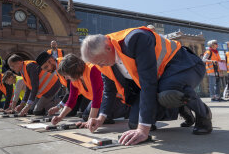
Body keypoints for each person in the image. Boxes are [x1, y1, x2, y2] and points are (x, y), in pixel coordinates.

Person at [81, 26, 212, 146]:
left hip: (184, 66)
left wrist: (143, 129)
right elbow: (109, 91)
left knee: (169, 93)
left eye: (101, 62)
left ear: (108, 48)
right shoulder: (105, 63)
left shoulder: (135, 39)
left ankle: (203, 114)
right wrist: (100, 118)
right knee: (134, 124)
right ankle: (180, 106)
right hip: (160, 80)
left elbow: (148, 83)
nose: (101, 66)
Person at [51, 54, 129, 127]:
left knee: (95, 116)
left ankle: (127, 110)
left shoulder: (92, 70)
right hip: (101, 101)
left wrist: (89, 121)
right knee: (85, 116)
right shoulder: (75, 79)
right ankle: (105, 117)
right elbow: (71, 100)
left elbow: (97, 97)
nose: (66, 78)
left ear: (74, 71)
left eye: (66, 75)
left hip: (114, 99)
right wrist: (60, 117)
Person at [36, 51, 90, 116]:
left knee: (82, 114)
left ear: (50, 61)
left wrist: (58, 107)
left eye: (46, 67)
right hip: (78, 93)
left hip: (86, 92)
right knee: (69, 113)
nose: (46, 71)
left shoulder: (63, 65)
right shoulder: (57, 68)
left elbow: (69, 90)